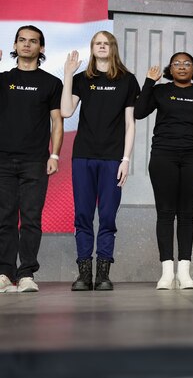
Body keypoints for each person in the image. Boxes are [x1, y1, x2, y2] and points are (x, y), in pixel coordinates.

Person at [60, 31, 140, 291]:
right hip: (83, 156)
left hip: (112, 159)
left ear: (112, 48)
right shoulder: (83, 79)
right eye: (97, 43)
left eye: (106, 43)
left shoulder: (127, 80)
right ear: (92, 48)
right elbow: (65, 111)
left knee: (107, 216)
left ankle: (103, 274)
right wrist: (68, 75)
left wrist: (126, 159)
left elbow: (130, 124)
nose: (102, 46)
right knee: (83, 215)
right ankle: (84, 274)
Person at [134, 52, 193, 290]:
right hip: (163, 156)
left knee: (186, 215)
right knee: (165, 214)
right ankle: (166, 273)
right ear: (170, 69)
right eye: (177, 64)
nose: (182, 67)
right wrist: (150, 82)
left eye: (187, 64)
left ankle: (184, 273)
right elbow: (139, 112)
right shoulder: (160, 91)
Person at [0, 25, 63, 293]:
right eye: (22, 40)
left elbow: (57, 122)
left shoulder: (51, 83)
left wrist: (55, 154)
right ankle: (4, 273)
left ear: (42, 48)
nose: (27, 45)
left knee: (31, 219)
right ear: (14, 46)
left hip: (35, 161)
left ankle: (26, 274)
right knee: (4, 218)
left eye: (33, 41)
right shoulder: (2, 80)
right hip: (2, 160)